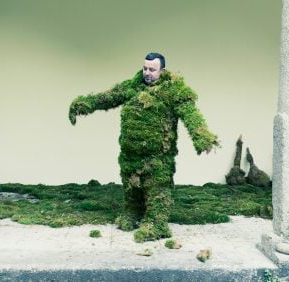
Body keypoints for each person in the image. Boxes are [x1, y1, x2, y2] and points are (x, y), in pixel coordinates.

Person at [69, 52, 219, 242]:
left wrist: (202, 136)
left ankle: (157, 224)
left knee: (156, 189)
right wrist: (84, 104)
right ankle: (132, 213)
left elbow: (191, 114)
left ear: (162, 71)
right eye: (145, 68)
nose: (147, 73)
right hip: (129, 154)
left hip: (157, 157)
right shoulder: (133, 86)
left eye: (152, 70)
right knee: (131, 188)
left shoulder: (173, 90)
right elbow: (108, 97)